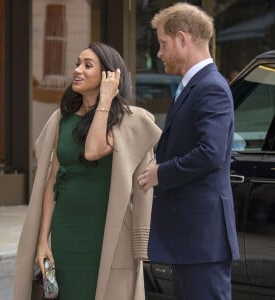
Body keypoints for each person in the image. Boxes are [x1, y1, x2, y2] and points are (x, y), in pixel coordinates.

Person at [14, 42, 161, 300]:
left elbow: (93, 150)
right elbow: (52, 182)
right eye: (77, 64)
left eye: (87, 65)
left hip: (107, 232)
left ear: (109, 76)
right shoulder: (63, 119)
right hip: (66, 229)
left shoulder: (126, 121)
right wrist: (42, 239)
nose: (77, 70)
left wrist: (104, 100)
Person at [137, 3, 240, 300]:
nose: (159, 53)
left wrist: (161, 173)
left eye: (163, 44)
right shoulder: (196, 84)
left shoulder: (211, 87)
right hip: (193, 240)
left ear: (183, 39)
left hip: (202, 240)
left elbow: (211, 153)